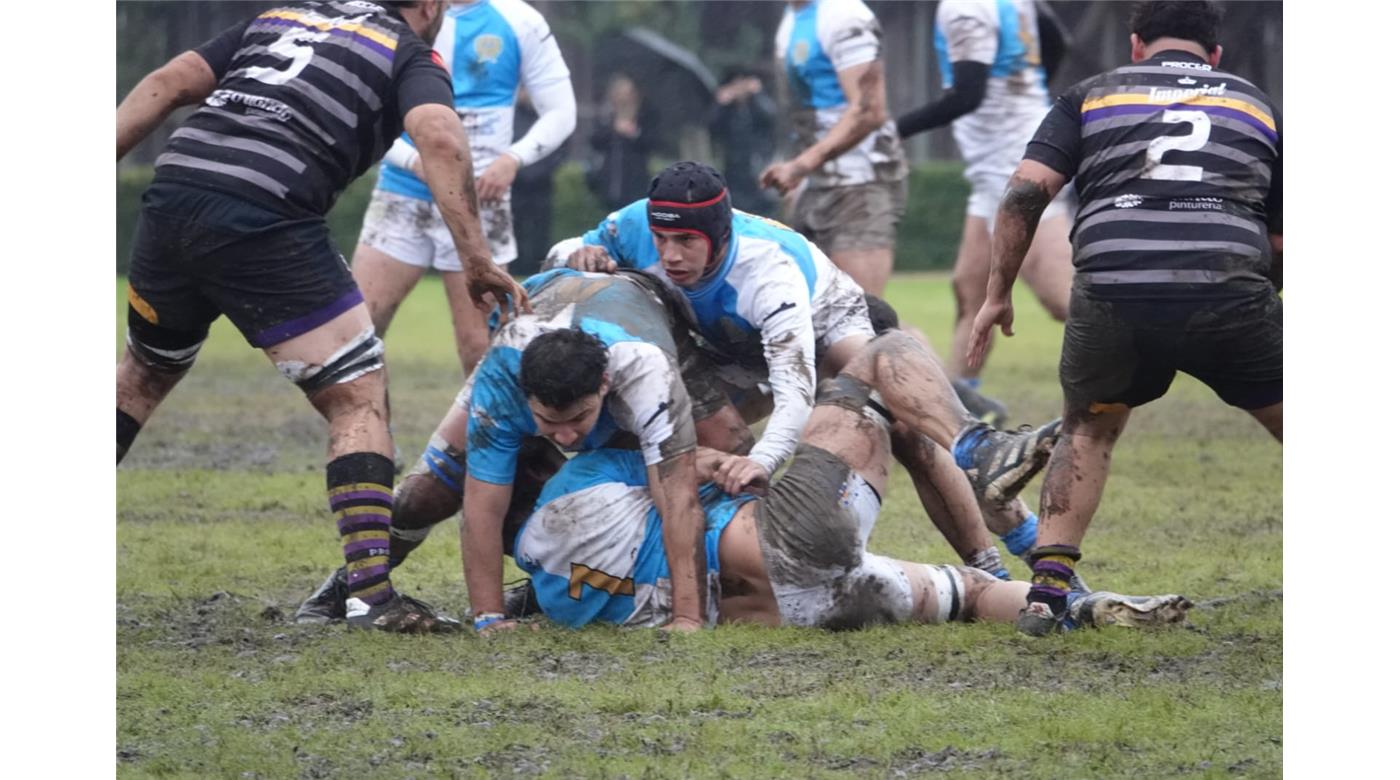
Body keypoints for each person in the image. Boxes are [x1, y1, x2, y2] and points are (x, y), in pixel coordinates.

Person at [116, 0, 527, 633]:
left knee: (142, 374)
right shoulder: (407, 51)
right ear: (429, 6)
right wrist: (476, 258)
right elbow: (442, 139)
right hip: (265, 215)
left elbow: (169, 84)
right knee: (358, 396)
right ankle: (370, 598)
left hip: (173, 198)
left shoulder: (280, 18)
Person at [556, 162, 1060, 581]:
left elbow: (794, 386)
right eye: (662, 238)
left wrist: (766, 461)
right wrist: (579, 253)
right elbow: (567, 251)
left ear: (720, 233)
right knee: (688, 437)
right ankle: (642, 563)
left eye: (686, 241)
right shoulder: (636, 224)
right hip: (731, 351)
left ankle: (1003, 554)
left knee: (908, 429)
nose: (669, 255)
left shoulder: (767, 273)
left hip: (827, 327)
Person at [511, 329, 1192, 633]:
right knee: (886, 354)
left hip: (809, 611)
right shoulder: (591, 475)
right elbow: (693, 471)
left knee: (971, 599)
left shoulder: (563, 596)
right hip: (790, 538)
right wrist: (733, 465)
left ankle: (1080, 608)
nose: (568, 439)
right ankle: (982, 457)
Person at [966, 0, 1282, 637]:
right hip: (1226, 289)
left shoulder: (1092, 94)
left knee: (1089, 430)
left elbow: (1026, 191)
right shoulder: (1254, 104)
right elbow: (1279, 239)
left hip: (1114, 292)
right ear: (1214, 54)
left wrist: (997, 291)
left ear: (1137, 45)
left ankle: (1046, 594)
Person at [297, 268, 712, 634]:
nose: (565, 437)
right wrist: (489, 618)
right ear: (524, 396)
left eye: (578, 420)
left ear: (604, 384)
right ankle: (357, 579)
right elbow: (482, 506)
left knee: (696, 465)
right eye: (549, 423)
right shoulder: (503, 373)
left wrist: (687, 620)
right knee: (428, 494)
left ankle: (583, 586)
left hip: (639, 328)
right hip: (535, 331)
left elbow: (678, 498)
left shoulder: (647, 373)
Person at [355, 0, 576, 376]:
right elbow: (360, 108)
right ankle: (369, 431)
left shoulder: (519, 19)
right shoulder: (398, 11)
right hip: (402, 194)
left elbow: (561, 112)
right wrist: (413, 161)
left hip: (480, 201)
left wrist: (512, 159)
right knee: (358, 333)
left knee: (482, 347)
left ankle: (489, 435)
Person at [896, 0, 1076, 427]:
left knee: (1061, 297)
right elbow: (1058, 40)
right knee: (971, 293)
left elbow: (967, 94)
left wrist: (891, 131)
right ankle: (960, 407)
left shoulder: (964, 7)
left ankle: (1152, 346)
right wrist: (1030, 100)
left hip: (1017, 165)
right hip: (995, 168)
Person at [762, 0, 909, 296]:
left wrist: (801, 166)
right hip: (816, 185)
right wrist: (798, 173)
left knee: (862, 318)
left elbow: (870, 110)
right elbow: (805, 112)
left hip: (862, 182)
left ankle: (911, 346)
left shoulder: (845, 16)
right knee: (814, 316)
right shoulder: (793, 17)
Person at [708, 69, 778, 216]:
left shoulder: (757, 104)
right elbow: (713, 128)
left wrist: (757, 95)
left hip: (757, 166)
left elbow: (770, 117)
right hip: (733, 167)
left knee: (761, 212)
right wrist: (722, 103)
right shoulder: (728, 110)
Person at [586, 74, 654, 213]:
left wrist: (635, 133)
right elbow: (595, 141)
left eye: (627, 94)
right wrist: (613, 129)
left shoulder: (645, 116)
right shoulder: (606, 116)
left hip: (635, 181)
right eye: (619, 94)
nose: (623, 98)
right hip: (611, 182)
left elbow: (652, 143)